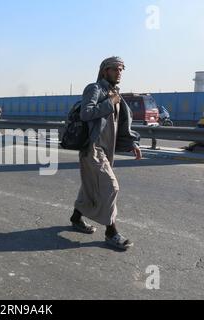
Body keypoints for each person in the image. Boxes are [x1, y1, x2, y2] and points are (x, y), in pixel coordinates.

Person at [70, 56, 142, 251]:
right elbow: (86, 113)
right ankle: (111, 233)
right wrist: (110, 102)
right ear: (104, 71)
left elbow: (121, 125)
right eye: (115, 69)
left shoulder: (114, 93)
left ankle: (76, 218)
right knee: (110, 187)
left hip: (106, 149)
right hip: (93, 148)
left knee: (90, 186)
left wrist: (132, 143)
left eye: (121, 69)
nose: (119, 72)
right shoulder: (94, 89)